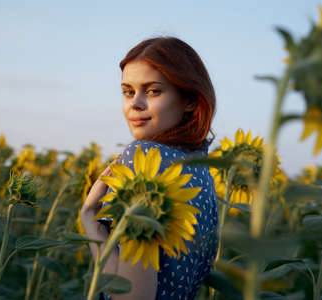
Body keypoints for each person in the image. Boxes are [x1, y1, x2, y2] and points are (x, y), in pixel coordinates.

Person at [80, 36, 218, 300]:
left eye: (153, 91)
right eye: (128, 91)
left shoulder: (143, 158)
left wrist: (90, 223)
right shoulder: (201, 170)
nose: (135, 103)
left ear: (189, 99)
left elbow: (131, 296)